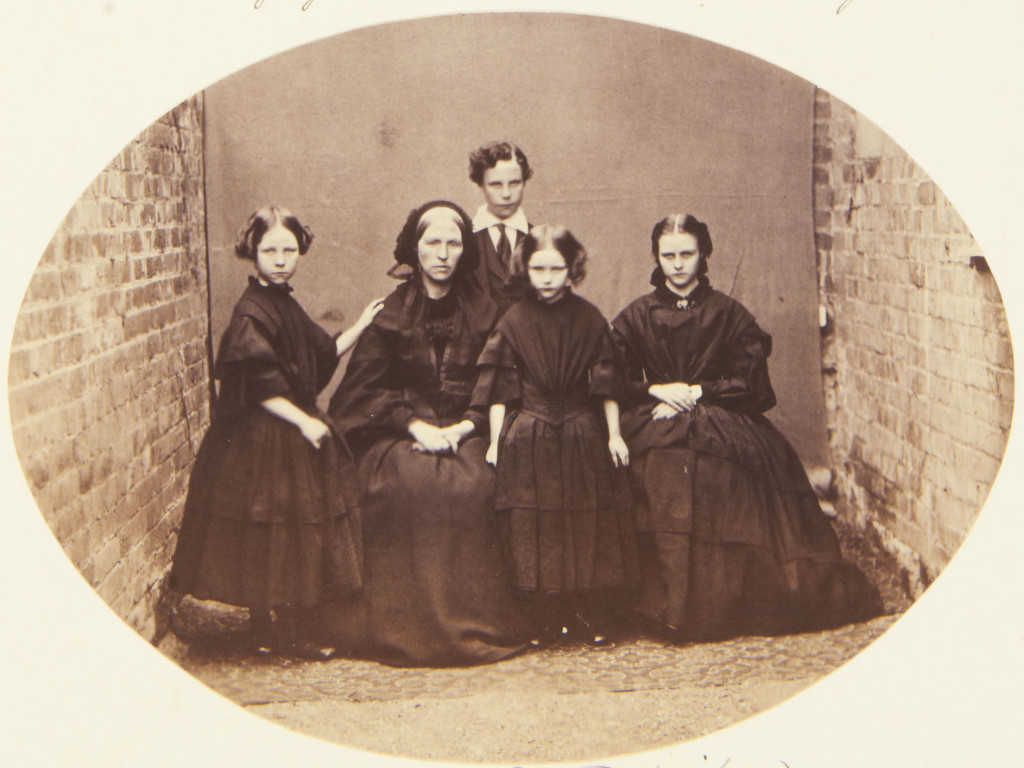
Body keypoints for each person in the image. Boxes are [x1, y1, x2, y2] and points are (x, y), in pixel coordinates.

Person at [611, 213, 882, 642]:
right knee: (657, 468)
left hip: (722, 415)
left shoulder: (729, 313)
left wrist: (697, 391)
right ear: (656, 258)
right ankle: (662, 606)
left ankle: (724, 604)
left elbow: (750, 384)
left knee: (723, 475)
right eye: (669, 256)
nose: (678, 264)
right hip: (656, 413)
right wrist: (659, 389)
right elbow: (613, 377)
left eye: (687, 254)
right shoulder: (637, 315)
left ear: (704, 256)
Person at [168, 205, 383, 657]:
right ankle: (280, 632)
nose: (282, 259)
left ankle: (279, 628)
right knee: (275, 529)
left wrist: (361, 327)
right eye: (270, 250)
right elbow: (256, 385)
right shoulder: (251, 312)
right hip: (262, 435)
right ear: (253, 252)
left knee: (286, 531)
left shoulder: (283, 300)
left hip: (289, 429)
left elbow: (321, 355)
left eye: (289, 249)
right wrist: (305, 420)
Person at [321, 200, 529, 666]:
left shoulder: (487, 312)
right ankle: (395, 626)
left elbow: (498, 381)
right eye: (432, 243)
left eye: (454, 243)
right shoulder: (390, 313)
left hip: (467, 428)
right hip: (400, 433)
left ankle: (478, 620)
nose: (443, 253)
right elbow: (361, 392)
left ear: (464, 251)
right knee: (404, 485)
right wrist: (413, 424)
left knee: (477, 486)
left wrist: (465, 427)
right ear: (415, 251)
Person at [473, 224, 638, 647]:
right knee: (537, 523)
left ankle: (583, 612)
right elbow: (499, 390)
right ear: (525, 269)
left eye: (556, 268)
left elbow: (606, 382)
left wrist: (614, 435)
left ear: (572, 270)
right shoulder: (513, 320)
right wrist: (495, 441)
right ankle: (546, 617)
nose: (546, 277)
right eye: (538, 267)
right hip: (530, 433)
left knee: (583, 521)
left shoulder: (589, 318)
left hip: (582, 432)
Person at [467, 141, 533, 315]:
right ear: (480, 186)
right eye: (496, 184)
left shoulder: (539, 240)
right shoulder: (462, 240)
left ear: (524, 183)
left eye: (514, 183)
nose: (506, 194)